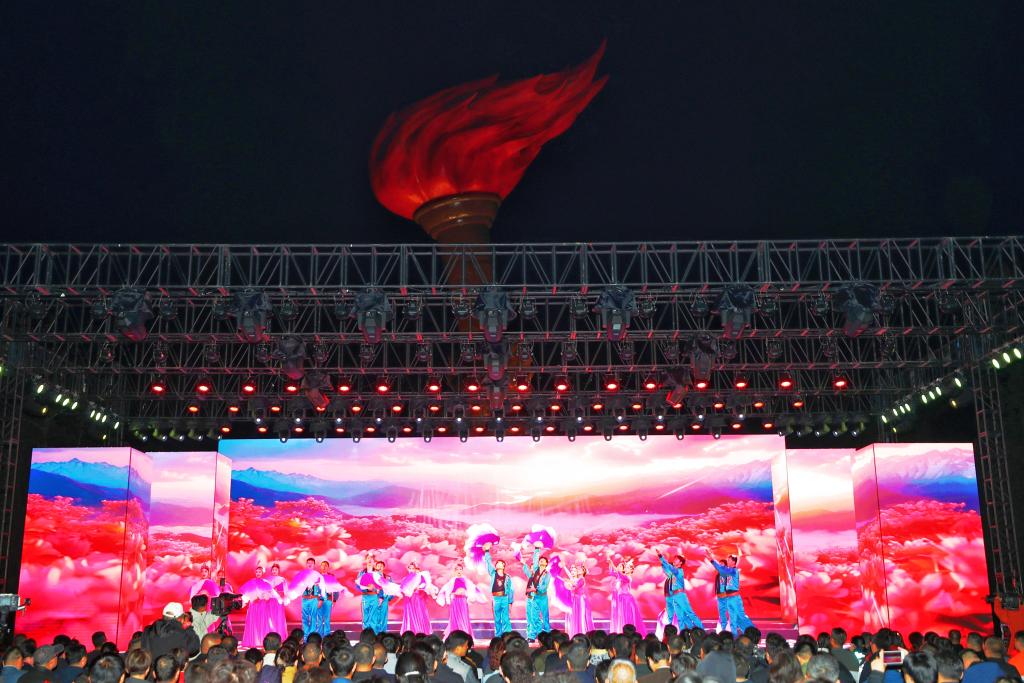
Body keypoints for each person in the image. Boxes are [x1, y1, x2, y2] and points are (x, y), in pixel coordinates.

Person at [703, 549, 754, 635]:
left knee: (741, 617)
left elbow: (722, 569)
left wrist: (712, 559)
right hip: (729, 598)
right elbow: (721, 569)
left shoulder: (733, 570)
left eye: (729, 560)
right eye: (728, 559)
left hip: (735, 598)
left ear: (734, 562)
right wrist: (712, 559)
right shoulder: (728, 571)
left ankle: (753, 634)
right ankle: (734, 636)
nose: (728, 561)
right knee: (732, 620)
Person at [655, 550, 700, 631]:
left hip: (680, 595)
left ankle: (701, 630)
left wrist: (661, 557)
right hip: (673, 596)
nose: (674, 560)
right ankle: (683, 633)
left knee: (689, 614)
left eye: (676, 559)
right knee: (680, 617)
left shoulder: (678, 571)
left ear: (680, 563)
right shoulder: (672, 574)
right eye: (674, 559)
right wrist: (663, 563)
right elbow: (667, 569)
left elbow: (669, 567)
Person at [608, 555, 646, 637]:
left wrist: (612, 563)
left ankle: (628, 633)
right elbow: (612, 572)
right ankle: (621, 631)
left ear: (631, 570)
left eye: (628, 568)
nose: (626, 568)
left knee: (626, 616)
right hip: (622, 598)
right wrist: (610, 563)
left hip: (626, 599)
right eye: (626, 567)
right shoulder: (622, 577)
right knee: (622, 615)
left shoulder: (627, 578)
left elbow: (619, 573)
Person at [483, 544, 514, 637]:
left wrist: (510, 602)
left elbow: (511, 590)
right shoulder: (493, 574)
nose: (498, 564)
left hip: (505, 598)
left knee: (505, 618)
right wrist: (487, 551)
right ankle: (498, 635)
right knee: (497, 618)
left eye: (500, 563)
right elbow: (488, 562)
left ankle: (507, 635)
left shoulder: (507, 577)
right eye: (497, 563)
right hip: (496, 598)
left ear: (504, 566)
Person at [524, 545, 552, 641]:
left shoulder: (547, 574)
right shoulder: (535, 570)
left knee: (545, 617)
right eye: (540, 560)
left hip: (543, 597)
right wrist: (537, 549)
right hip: (535, 598)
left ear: (546, 564)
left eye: (543, 561)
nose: (541, 561)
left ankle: (547, 635)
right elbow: (535, 559)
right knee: (534, 617)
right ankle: (532, 636)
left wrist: (535, 589)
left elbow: (544, 587)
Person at [400, 562, 435, 635]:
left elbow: (424, 584)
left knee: (419, 613)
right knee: (410, 614)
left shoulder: (419, 576)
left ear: (415, 569)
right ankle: (411, 630)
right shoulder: (405, 578)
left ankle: (421, 631)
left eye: (413, 568)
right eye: (410, 568)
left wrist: (418, 587)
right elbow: (402, 588)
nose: (411, 569)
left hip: (417, 597)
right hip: (408, 598)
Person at [298, 557, 326, 640]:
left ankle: (312, 637)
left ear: (314, 565)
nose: (310, 564)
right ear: (306, 564)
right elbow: (297, 587)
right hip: (305, 599)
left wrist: (321, 599)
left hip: (314, 599)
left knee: (314, 617)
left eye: (311, 563)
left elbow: (323, 588)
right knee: (304, 618)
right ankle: (305, 637)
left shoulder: (318, 575)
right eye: (308, 563)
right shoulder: (301, 575)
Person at [565, 564, 594, 638]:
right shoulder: (578, 579)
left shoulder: (582, 579)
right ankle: (575, 633)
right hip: (575, 600)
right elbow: (571, 578)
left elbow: (576, 585)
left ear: (583, 572)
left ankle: (582, 633)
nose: (578, 570)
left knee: (580, 617)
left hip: (580, 600)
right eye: (578, 569)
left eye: (580, 570)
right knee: (575, 617)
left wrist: (569, 582)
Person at [357, 555, 379, 634]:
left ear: (374, 562)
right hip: (365, 597)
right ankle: (366, 636)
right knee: (365, 617)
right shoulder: (361, 573)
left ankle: (374, 635)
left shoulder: (377, 573)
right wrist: (366, 588)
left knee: (374, 617)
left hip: (374, 596)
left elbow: (381, 585)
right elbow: (358, 586)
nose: (370, 560)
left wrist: (375, 588)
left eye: (371, 559)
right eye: (368, 558)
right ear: (366, 560)